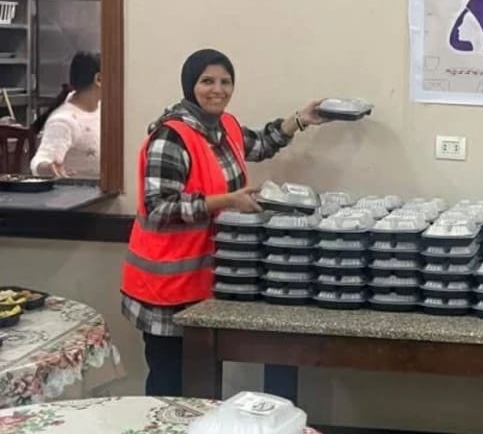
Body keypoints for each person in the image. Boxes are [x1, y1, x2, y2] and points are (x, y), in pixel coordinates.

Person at [121, 48, 342, 397]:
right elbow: (158, 207)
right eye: (207, 81)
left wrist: (301, 119)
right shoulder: (171, 136)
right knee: (170, 383)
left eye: (225, 81)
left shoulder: (225, 126)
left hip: (205, 281)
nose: (217, 89)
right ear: (189, 85)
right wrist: (228, 202)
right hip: (166, 286)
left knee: (200, 383)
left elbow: (261, 144)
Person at [30, 51, 102, 178]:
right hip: (79, 194)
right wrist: (48, 168)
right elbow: (40, 161)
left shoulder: (104, 107)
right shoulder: (63, 121)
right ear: (99, 79)